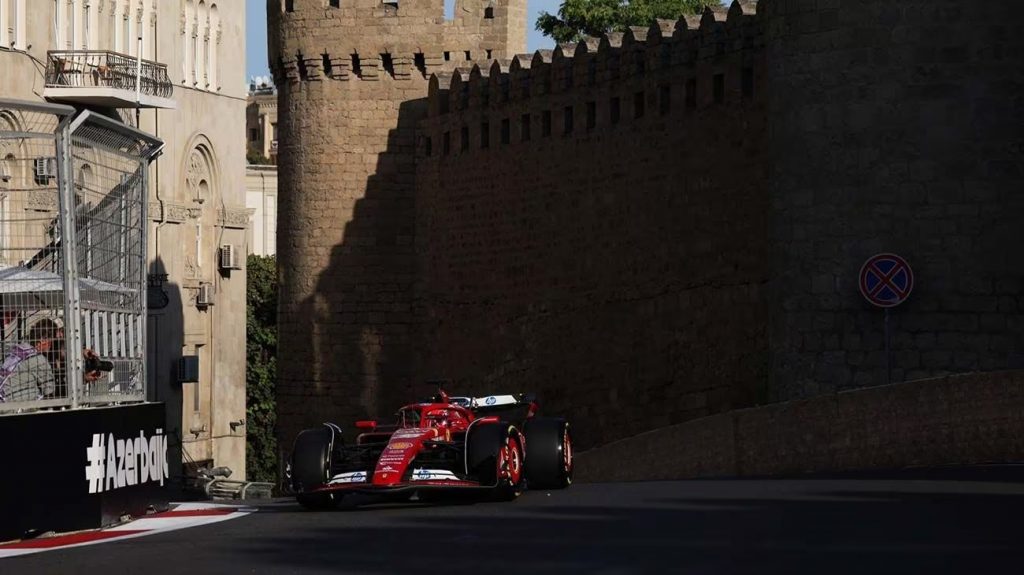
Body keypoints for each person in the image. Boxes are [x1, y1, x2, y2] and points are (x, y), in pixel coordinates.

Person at [0, 319, 101, 403]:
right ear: (43, 340)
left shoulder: (20, 348)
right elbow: (52, 396)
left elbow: (59, 351)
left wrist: (80, 352)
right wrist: (83, 379)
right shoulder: (38, 360)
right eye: (52, 340)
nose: (53, 344)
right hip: (12, 408)